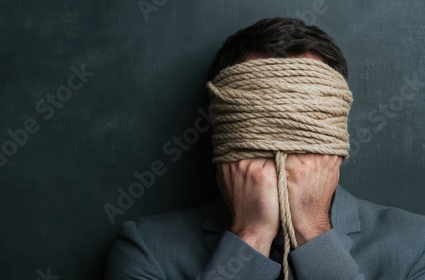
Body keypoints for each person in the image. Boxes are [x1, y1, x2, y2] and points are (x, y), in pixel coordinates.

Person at [104, 17, 425, 279]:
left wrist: (312, 228)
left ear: (334, 128)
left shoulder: (415, 244)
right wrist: (250, 235)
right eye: (264, 114)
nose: (282, 143)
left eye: (303, 116)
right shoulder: (147, 249)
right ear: (225, 124)